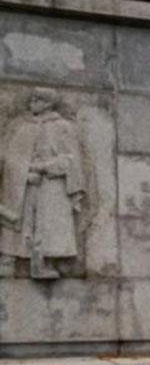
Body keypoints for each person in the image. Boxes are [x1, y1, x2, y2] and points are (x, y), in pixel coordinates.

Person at [0, 88, 85, 279]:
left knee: (49, 223)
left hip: (52, 185)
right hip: (24, 185)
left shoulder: (63, 126)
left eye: (37, 100)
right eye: (31, 99)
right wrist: (26, 173)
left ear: (48, 103)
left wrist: (44, 167)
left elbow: (72, 161)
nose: (32, 103)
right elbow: (9, 160)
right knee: (18, 219)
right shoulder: (22, 127)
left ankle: (46, 261)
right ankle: (8, 260)